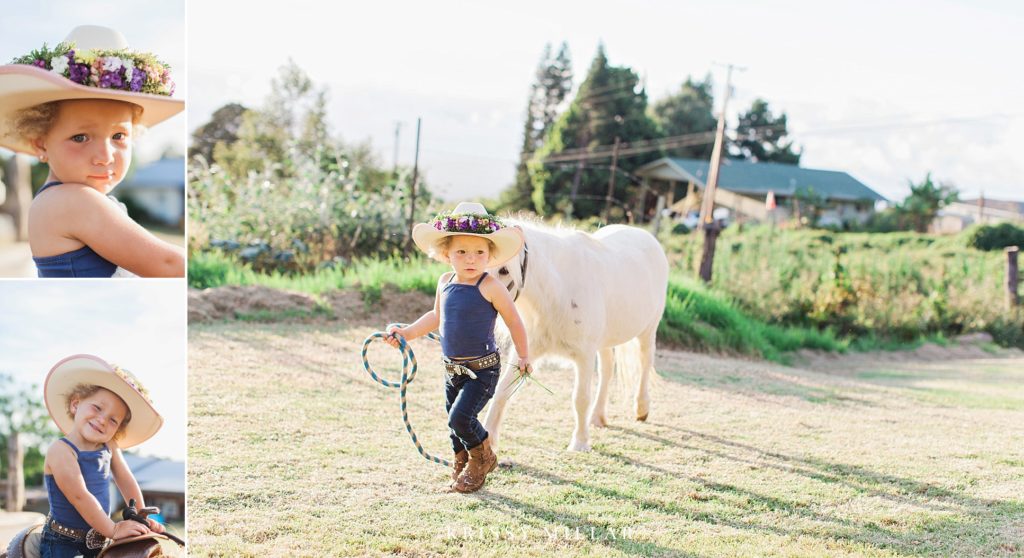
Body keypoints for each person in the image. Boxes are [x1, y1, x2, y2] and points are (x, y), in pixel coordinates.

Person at [0, 25, 185, 277]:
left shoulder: (63, 198)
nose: (105, 156)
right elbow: (167, 264)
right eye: (80, 137)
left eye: (119, 136)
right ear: (41, 143)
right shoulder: (72, 200)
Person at [386, 202, 530, 493]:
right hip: (452, 370)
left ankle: (483, 457)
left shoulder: (489, 286)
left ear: (490, 256)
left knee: (461, 417)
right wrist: (407, 333)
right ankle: (461, 459)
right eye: (461, 252)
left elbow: (514, 320)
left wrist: (524, 355)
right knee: (454, 424)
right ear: (445, 254)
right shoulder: (445, 282)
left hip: (483, 371)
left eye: (479, 252)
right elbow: (436, 317)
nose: (470, 259)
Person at [40, 354, 166, 557]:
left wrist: (141, 514)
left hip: (99, 536)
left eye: (113, 420)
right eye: (97, 408)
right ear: (75, 404)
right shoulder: (61, 450)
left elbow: (125, 479)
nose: (102, 420)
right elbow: (80, 496)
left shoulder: (109, 445)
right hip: (63, 542)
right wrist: (113, 529)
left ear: (117, 430)